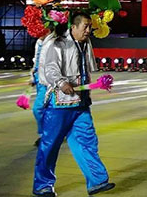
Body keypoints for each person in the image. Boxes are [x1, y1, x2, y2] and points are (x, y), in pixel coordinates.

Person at [34, 14, 114, 197]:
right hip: (59, 104)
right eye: (85, 26)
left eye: (90, 26)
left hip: (81, 104)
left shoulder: (85, 44)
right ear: (73, 27)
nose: (89, 30)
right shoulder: (57, 43)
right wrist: (62, 83)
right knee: (50, 145)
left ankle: (97, 181)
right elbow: (50, 68)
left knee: (87, 141)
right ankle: (43, 185)